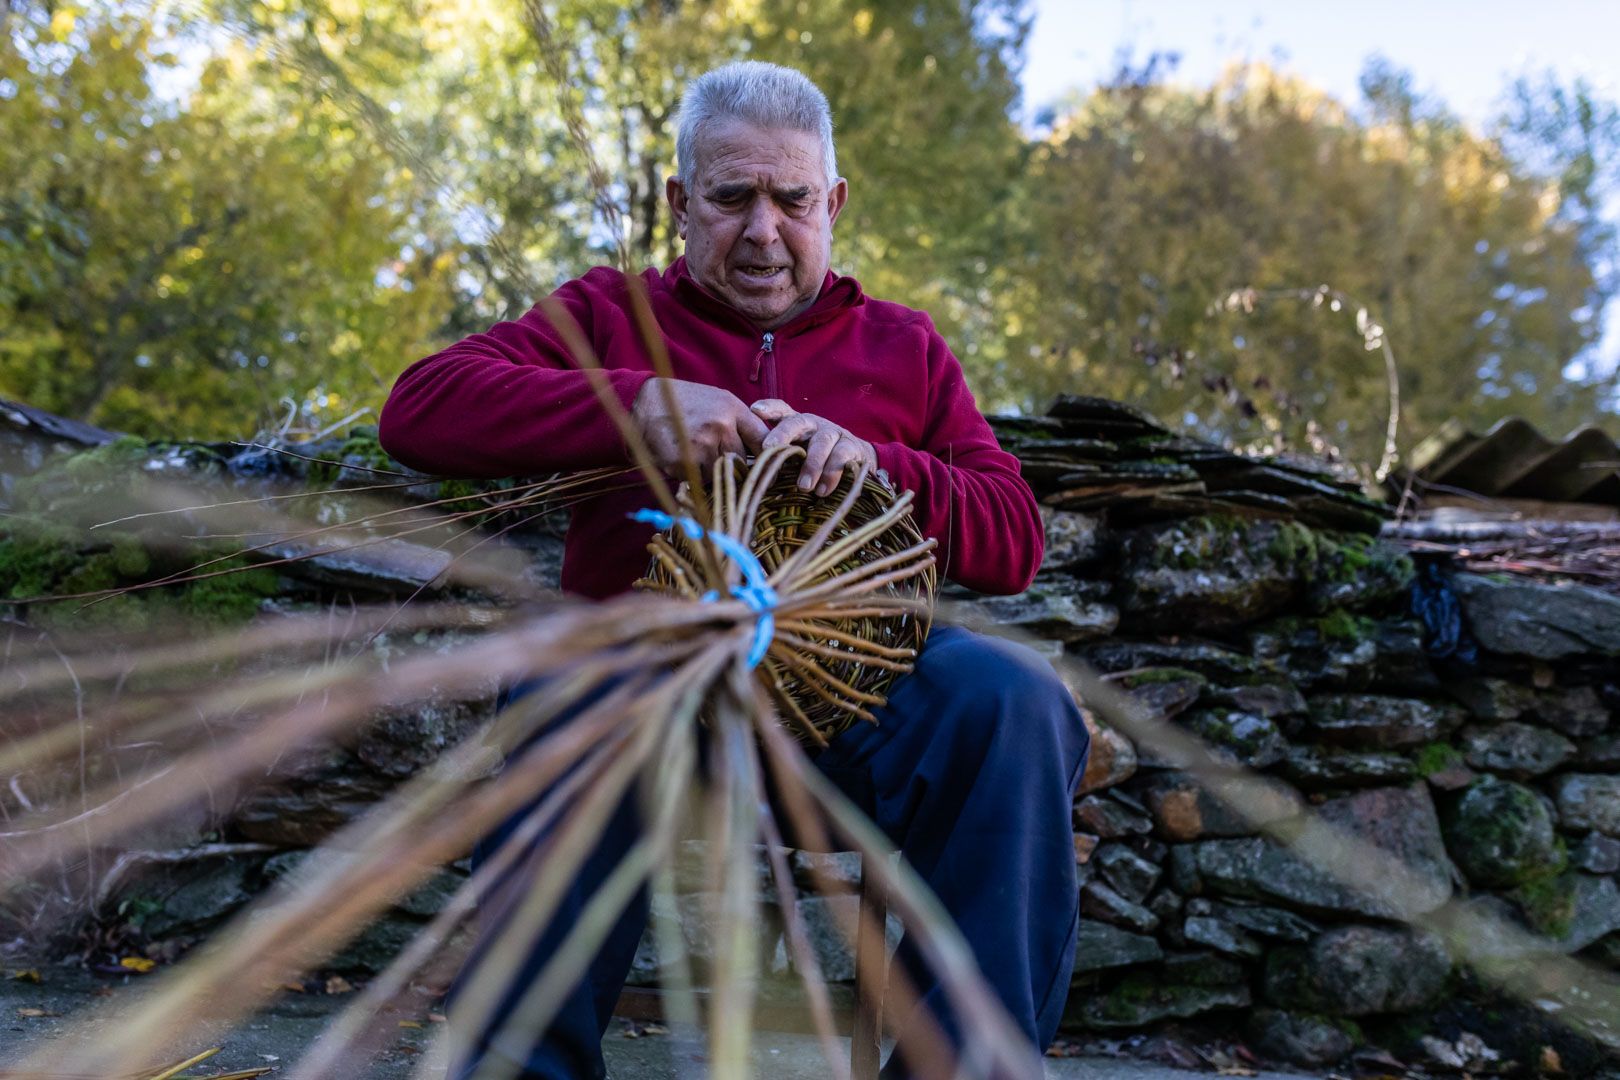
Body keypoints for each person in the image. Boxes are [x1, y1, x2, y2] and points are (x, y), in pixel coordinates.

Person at [379, 60, 1088, 1080]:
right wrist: (629, 404)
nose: (763, 230)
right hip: (639, 689)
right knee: (565, 686)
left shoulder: (904, 349)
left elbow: (1012, 536)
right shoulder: (608, 316)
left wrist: (881, 463)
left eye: (792, 200)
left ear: (832, 204)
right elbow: (421, 408)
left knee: (1011, 698)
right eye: (731, 198)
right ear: (680, 204)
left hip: (848, 701)